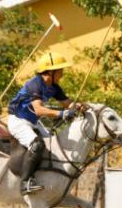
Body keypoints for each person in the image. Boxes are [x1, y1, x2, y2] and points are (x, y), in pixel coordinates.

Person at [8, 51, 84, 195]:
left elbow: (68, 103)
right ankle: (25, 182)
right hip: (18, 120)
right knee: (37, 145)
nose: (62, 73)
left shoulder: (54, 86)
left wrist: (80, 106)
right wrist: (62, 114)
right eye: (60, 70)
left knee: (51, 143)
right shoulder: (35, 84)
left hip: (33, 122)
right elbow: (38, 110)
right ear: (51, 71)